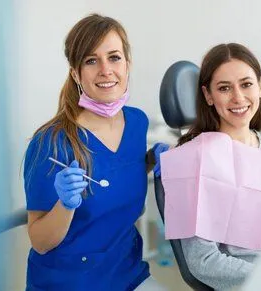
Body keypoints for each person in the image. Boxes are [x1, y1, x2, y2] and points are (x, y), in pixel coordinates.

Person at [23, 14, 165, 291]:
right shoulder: (50, 143)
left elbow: (117, 171)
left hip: (127, 272)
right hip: (69, 282)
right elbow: (40, 242)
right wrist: (65, 205)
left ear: (128, 64)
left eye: (114, 57)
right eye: (91, 60)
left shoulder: (137, 122)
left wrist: (151, 159)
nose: (105, 70)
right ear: (76, 73)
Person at [153, 43, 261, 291]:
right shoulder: (194, 161)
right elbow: (203, 262)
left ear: (260, 87)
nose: (238, 97)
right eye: (224, 88)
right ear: (208, 95)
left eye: (246, 84)